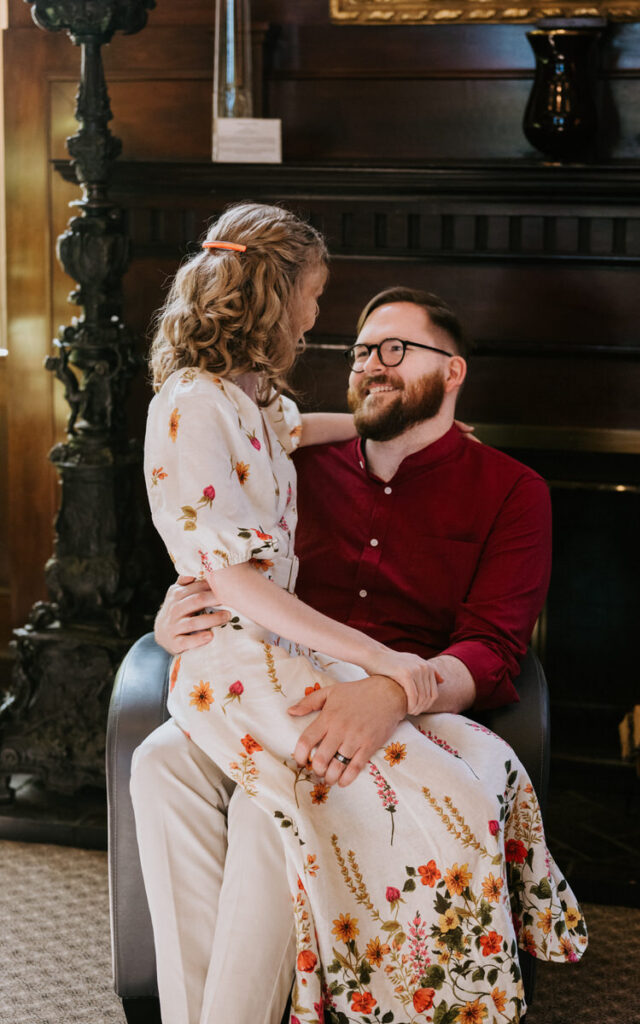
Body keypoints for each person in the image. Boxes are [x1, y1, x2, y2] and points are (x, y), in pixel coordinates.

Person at [132, 204, 586, 1024]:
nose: (368, 359)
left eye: (396, 348)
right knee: (158, 764)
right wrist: (174, 614)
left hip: (376, 688)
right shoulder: (280, 449)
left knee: (267, 805)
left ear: (452, 372)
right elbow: (229, 564)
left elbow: (494, 646)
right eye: (360, 346)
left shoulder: (509, 490)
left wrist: (395, 690)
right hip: (270, 676)